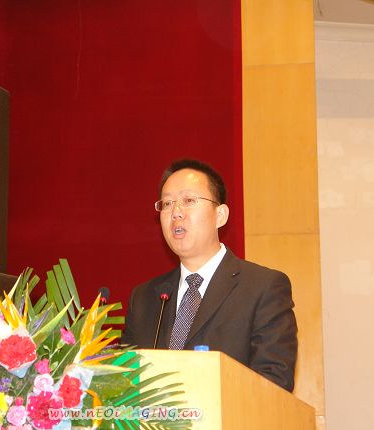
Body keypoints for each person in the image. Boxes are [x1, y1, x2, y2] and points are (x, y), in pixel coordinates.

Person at [122, 159, 298, 392]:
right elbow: (124, 384)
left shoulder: (263, 288)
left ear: (220, 215)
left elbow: (274, 383)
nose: (176, 213)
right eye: (167, 203)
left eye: (188, 201)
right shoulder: (144, 299)